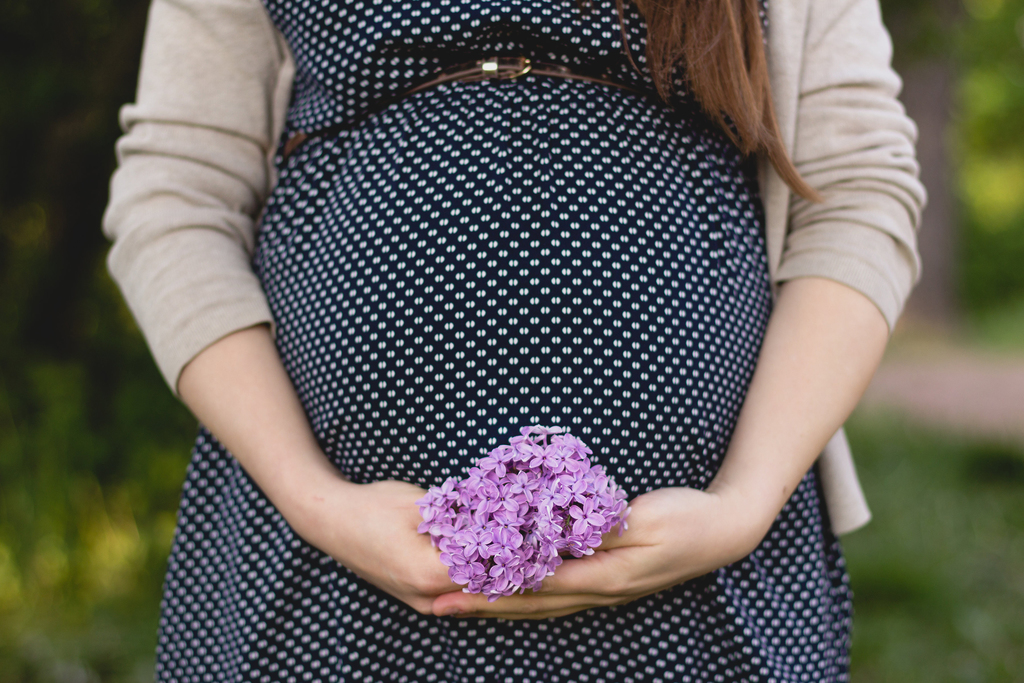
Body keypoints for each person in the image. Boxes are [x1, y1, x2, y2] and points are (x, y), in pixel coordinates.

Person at [103, 0, 924, 679]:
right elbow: (174, 195)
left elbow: (857, 192)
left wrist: (746, 502)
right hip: (323, 565)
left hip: (701, 580)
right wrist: (317, 499)